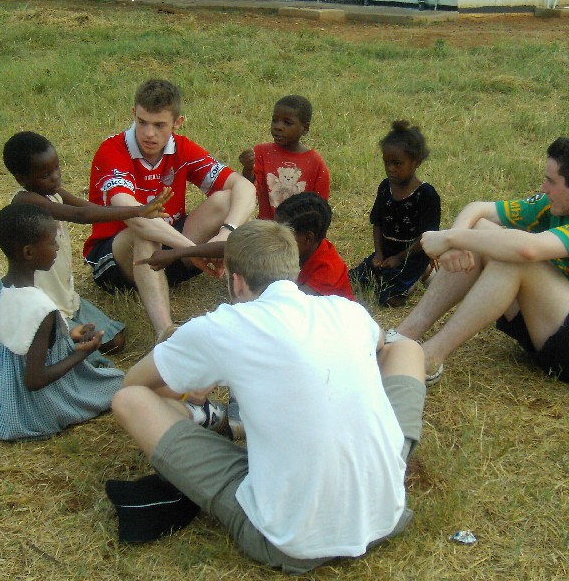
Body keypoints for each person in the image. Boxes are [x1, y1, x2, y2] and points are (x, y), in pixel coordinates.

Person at [111, 220, 427, 573]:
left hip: (289, 543)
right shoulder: (346, 310)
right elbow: (382, 346)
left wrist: (188, 387)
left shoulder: (221, 327)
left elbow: (134, 384)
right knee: (407, 349)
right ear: (291, 271)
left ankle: (204, 418)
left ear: (236, 281)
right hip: (385, 513)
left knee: (129, 402)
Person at [390, 137, 569, 385]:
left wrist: (451, 240)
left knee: (517, 258)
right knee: (484, 233)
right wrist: (455, 238)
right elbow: (479, 210)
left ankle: (430, 358)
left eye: (551, 181)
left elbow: (529, 251)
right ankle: (403, 336)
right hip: (554, 329)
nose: (543, 188)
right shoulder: (562, 202)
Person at [82, 79, 256, 336]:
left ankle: (252, 311)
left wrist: (225, 235)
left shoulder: (182, 148)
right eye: (142, 122)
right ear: (133, 115)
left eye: (159, 125)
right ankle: (166, 334)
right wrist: (194, 250)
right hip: (118, 259)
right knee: (145, 231)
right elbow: (135, 217)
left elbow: (245, 188)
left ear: (177, 123)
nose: (149, 133)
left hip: (172, 253)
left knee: (226, 199)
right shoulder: (112, 150)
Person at [3, 131, 170, 357]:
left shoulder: (52, 193)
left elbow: (86, 207)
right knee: (77, 353)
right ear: (22, 178)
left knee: (115, 342)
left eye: (56, 168)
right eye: (45, 174)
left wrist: (137, 211)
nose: (55, 177)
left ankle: (66, 339)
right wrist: (138, 210)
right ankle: (58, 345)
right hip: (44, 306)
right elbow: (80, 215)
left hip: (67, 297)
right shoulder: (26, 201)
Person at [0, 203, 124, 440]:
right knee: (118, 382)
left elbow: (19, 341)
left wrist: (71, 335)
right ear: (28, 252)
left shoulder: (0, 288)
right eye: (51, 242)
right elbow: (34, 381)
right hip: (30, 413)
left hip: (3, 400)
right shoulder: (40, 307)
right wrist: (82, 353)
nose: (57, 247)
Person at [136, 192, 353, 300]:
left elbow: (289, 309)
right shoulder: (287, 246)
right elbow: (233, 245)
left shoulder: (328, 268)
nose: (273, 235)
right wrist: (177, 253)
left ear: (307, 238)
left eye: (280, 230)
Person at [349, 120, 441, 307]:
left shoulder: (427, 195)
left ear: (416, 162)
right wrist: (379, 255)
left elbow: (427, 237)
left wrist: (399, 258)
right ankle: (392, 274)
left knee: (390, 299)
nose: (390, 168)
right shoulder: (385, 187)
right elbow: (378, 222)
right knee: (353, 282)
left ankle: (423, 271)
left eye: (397, 163)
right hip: (387, 252)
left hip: (413, 255)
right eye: (387, 162)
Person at [238, 95, 330, 220]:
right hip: (266, 230)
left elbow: (320, 208)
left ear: (305, 128)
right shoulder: (261, 153)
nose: (278, 127)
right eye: (275, 120)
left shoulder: (315, 163)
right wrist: (248, 168)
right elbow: (248, 191)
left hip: (299, 234)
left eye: (287, 123)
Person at [275, 191, 353, 300]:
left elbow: (293, 302)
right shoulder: (308, 250)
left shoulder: (328, 269)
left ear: (307, 239)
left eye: (283, 237)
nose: (275, 240)